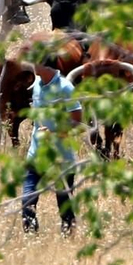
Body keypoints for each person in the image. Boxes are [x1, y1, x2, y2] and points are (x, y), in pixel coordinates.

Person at [21, 65, 82, 234]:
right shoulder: (37, 84)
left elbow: (78, 122)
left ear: (46, 64)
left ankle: (68, 240)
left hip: (61, 158)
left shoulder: (65, 88)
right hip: (35, 156)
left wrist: (54, 133)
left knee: (65, 206)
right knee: (27, 202)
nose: (31, 65)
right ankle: (31, 242)